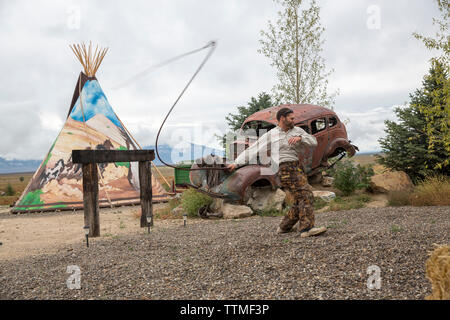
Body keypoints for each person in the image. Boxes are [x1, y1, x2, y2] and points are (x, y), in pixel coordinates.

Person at [226, 107, 327, 237]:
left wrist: (300, 138)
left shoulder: (298, 131)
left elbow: (314, 142)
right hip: (283, 168)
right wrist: (236, 163)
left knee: (300, 198)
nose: (293, 120)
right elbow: (253, 150)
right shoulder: (271, 135)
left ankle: (284, 227)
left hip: (296, 166)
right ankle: (306, 229)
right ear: (282, 118)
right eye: (291, 118)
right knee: (306, 194)